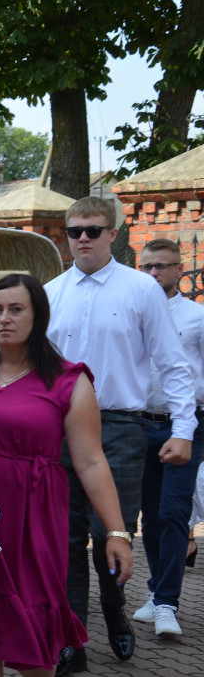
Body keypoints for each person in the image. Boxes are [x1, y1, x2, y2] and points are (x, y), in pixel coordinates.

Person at [44, 196, 196, 673]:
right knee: (65, 538)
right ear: (66, 236)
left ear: (114, 234)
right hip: (59, 426)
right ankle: (72, 638)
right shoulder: (49, 292)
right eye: (74, 231)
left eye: (93, 229)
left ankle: (114, 611)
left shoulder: (141, 289)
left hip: (120, 428)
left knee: (110, 532)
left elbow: (173, 365)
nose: (83, 238)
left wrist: (185, 429)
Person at [0, 274, 133, 676]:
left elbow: (91, 462)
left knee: (33, 634)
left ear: (39, 317)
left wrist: (117, 533)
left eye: (16, 309)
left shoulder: (69, 380)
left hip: (34, 520)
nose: (4, 318)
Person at [129, 238, 204, 637]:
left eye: (163, 266)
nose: (155, 274)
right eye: (148, 267)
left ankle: (167, 604)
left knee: (175, 511)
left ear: (179, 269)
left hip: (184, 424)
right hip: (142, 425)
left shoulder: (197, 317)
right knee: (152, 516)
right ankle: (158, 590)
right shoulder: (133, 313)